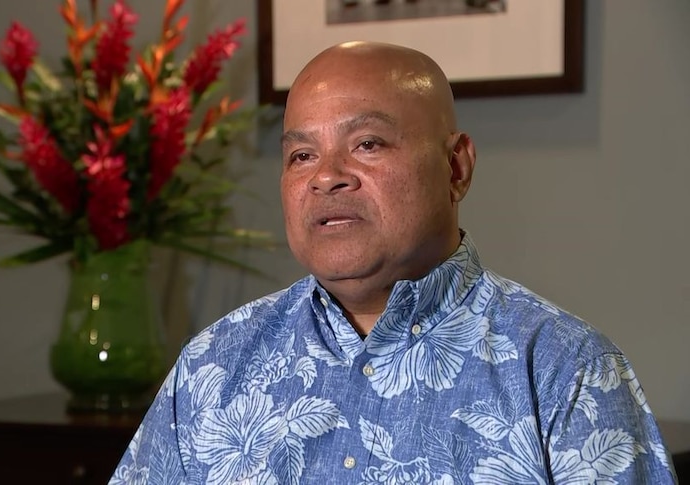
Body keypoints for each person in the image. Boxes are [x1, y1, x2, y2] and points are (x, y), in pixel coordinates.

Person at [110, 42, 676, 484]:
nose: (327, 175)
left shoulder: (561, 369)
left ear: (456, 167)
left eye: (367, 144)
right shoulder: (213, 365)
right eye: (302, 155)